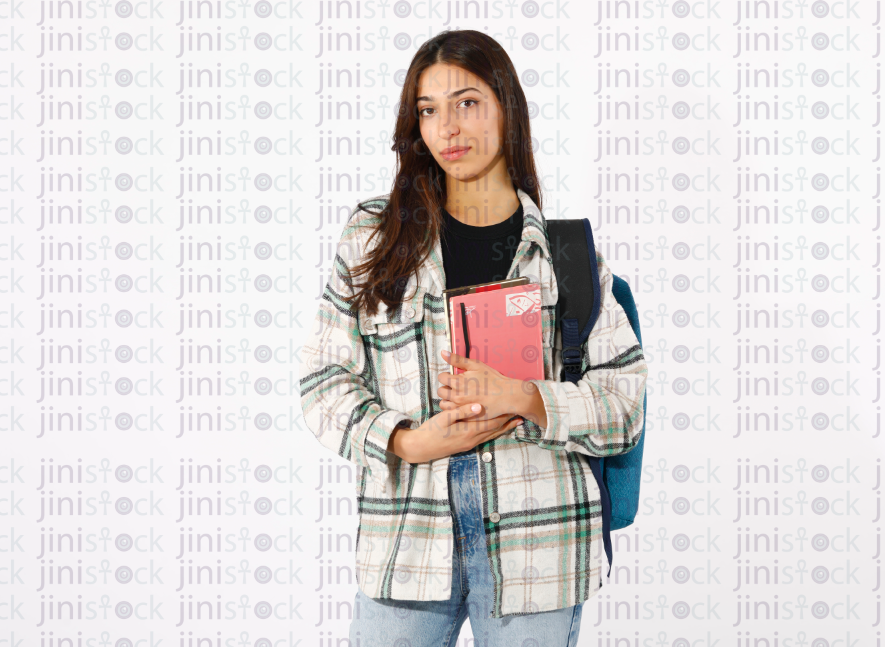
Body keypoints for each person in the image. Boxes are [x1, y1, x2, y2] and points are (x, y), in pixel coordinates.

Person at [298, 29, 647, 647]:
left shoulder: (565, 254)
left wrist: (528, 399)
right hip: (407, 538)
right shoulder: (374, 237)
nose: (448, 128)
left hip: (539, 542)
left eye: (467, 103)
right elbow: (323, 382)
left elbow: (624, 404)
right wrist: (406, 440)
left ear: (506, 108)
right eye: (428, 110)